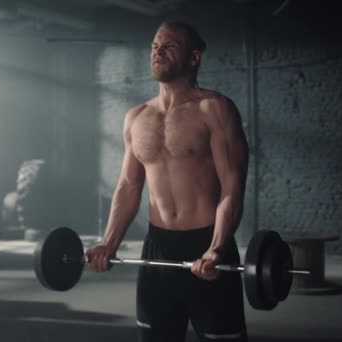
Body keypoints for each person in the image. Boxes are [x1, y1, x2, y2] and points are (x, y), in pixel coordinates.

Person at [86, 21, 249, 342]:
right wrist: (109, 242)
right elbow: (128, 187)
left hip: (207, 244)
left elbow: (233, 187)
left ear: (194, 57)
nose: (158, 51)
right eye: (155, 46)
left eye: (170, 46)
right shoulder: (137, 117)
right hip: (158, 247)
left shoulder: (214, 109)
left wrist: (216, 248)